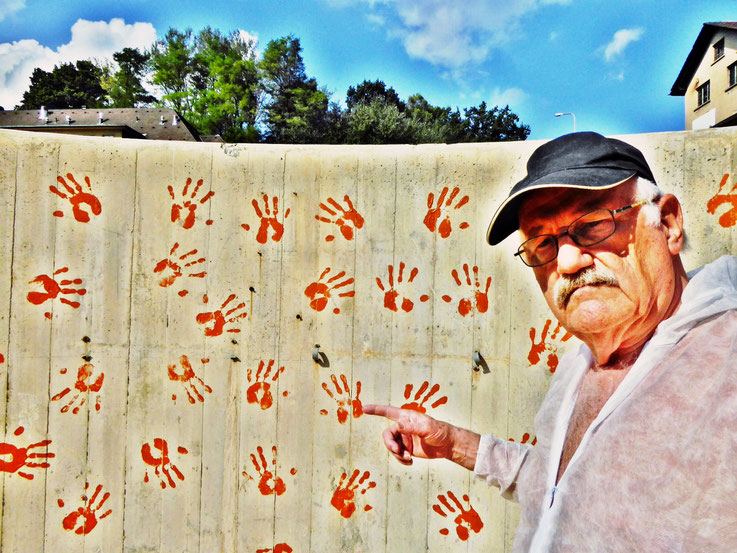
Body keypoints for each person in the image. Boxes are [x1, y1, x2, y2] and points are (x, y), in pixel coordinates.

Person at [364, 132, 737, 552]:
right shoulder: (579, 366)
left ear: (667, 223)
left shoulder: (727, 356)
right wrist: (454, 444)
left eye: (594, 225)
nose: (566, 261)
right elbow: (562, 489)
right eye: (542, 242)